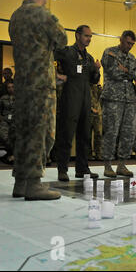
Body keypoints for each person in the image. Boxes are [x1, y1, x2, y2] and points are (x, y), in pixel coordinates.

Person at [9, 0, 68, 200]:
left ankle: (20, 182)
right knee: (42, 133)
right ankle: (34, 183)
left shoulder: (15, 16)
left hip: (22, 84)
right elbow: (62, 39)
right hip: (42, 85)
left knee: (23, 131)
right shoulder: (44, 15)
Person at [54, 25, 101, 181]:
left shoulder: (88, 58)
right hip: (70, 98)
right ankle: (62, 170)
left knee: (85, 135)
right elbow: (47, 58)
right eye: (86, 36)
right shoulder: (66, 52)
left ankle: (82, 169)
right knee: (66, 134)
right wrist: (58, 76)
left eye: (90, 36)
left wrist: (96, 70)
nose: (89, 39)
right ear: (77, 35)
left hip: (85, 99)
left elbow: (93, 81)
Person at [101, 30, 136, 177]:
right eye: (127, 42)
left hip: (129, 99)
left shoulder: (132, 58)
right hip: (113, 98)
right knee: (111, 131)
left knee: (128, 133)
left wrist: (126, 71)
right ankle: (107, 165)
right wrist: (130, 73)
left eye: (132, 44)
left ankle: (122, 165)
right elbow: (113, 72)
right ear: (121, 39)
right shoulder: (109, 53)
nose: (129, 46)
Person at [0, 82, 15, 164]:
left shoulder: (20, 97)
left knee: (17, 136)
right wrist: (1, 118)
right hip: (6, 120)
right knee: (3, 134)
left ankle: (14, 155)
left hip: (16, 121)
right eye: (8, 87)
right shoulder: (3, 98)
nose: (10, 89)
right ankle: (10, 152)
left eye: (12, 87)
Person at [89, 83, 103, 161]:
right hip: (88, 113)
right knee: (87, 135)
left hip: (98, 113)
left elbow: (102, 97)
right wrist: (91, 108)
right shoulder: (86, 86)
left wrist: (99, 88)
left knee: (98, 134)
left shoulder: (98, 88)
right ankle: (88, 155)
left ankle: (99, 154)